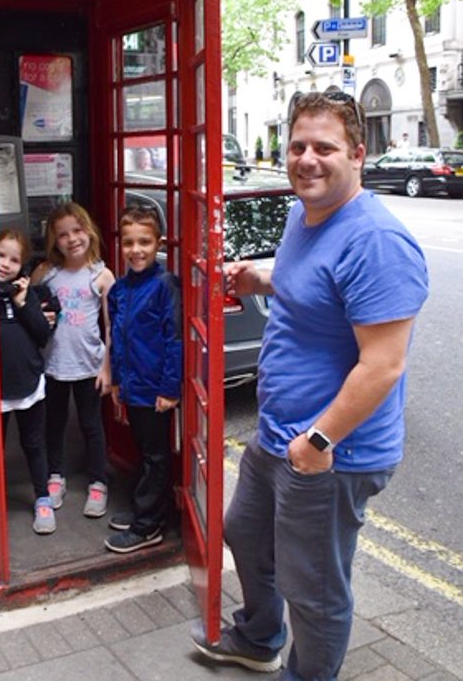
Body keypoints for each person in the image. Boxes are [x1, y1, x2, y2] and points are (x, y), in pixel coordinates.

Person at [191, 91, 428, 679]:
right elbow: (313, 285)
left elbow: (383, 365)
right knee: (243, 532)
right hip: (277, 434)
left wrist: (316, 443)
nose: (306, 159)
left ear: (357, 153)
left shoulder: (377, 242)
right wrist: (258, 277)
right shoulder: (305, 214)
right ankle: (259, 637)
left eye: (324, 147)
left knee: (315, 589)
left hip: (329, 453)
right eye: (298, 146)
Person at [105, 205, 182, 553]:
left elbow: (175, 339)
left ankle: (148, 525)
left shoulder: (165, 285)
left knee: (155, 456)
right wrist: (117, 381)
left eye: (145, 242)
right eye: (129, 242)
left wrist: (170, 388)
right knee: (145, 451)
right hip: (132, 388)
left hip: (155, 389)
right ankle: (147, 508)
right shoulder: (119, 290)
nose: (136, 250)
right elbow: (117, 339)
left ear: (159, 244)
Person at [31, 202, 115, 518]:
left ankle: (98, 481)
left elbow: (111, 327)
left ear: (88, 232)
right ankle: (55, 475)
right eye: (63, 234)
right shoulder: (46, 273)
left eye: (77, 231)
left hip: (89, 364)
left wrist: (107, 367)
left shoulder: (101, 275)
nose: (72, 239)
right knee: (53, 424)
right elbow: (29, 313)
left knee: (91, 425)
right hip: (52, 364)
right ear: (54, 241)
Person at [0, 229, 56, 535]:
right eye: (0, 255)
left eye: (14, 260)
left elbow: (43, 335)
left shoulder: (26, 295)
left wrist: (22, 301)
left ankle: (42, 496)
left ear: (23, 267)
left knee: (34, 442)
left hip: (29, 381)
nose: (5, 264)